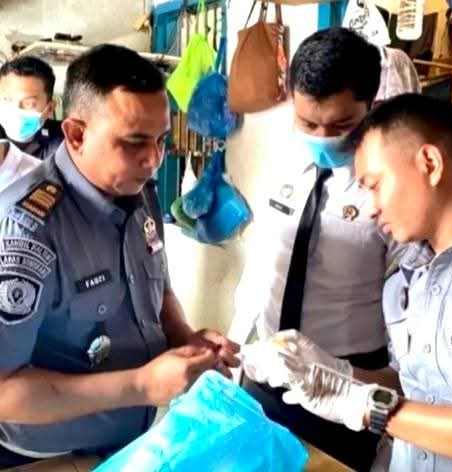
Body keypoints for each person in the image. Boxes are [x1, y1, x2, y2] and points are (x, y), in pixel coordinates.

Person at [0, 44, 239, 468]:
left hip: (135, 442)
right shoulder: (27, 229)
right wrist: (143, 385)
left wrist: (183, 337)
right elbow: (4, 392)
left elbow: (157, 287)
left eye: (161, 140)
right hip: (51, 456)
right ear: (76, 134)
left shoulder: (137, 190)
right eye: (134, 143)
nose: (154, 160)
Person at [243, 93, 452, 470]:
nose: (371, 209)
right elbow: (416, 388)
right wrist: (334, 374)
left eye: (374, 185)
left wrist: (362, 404)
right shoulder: (407, 281)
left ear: (430, 164)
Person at [228, 27, 405, 471]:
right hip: (267, 373)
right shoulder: (284, 159)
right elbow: (263, 263)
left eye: (341, 126)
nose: (323, 137)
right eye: (308, 123)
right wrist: (235, 349)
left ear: (370, 106)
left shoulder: (391, 189)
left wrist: (365, 385)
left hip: (346, 386)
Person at [0, 56, 65, 160]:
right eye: (6, 100)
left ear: (49, 108)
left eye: (28, 103)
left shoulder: (65, 142)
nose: (14, 109)